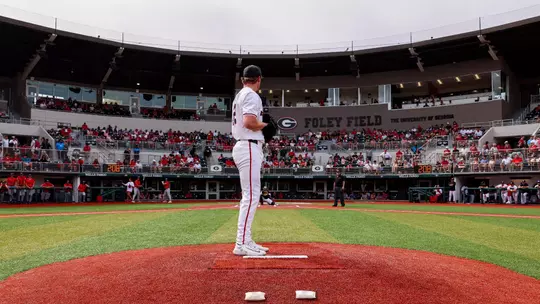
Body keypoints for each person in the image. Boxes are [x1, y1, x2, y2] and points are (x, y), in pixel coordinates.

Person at [231, 65, 269, 257]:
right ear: (259, 79)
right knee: (251, 196)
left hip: (245, 145)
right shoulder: (252, 95)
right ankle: (241, 242)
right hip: (248, 145)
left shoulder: (241, 94)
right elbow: (249, 122)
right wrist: (267, 126)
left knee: (251, 195)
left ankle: (246, 240)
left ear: (243, 79)